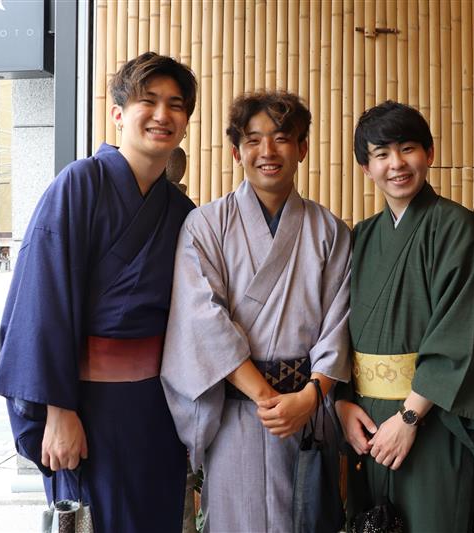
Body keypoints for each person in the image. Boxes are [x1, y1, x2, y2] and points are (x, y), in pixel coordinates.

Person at [0, 52, 198, 532]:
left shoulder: (182, 211)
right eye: (149, 101)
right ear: (118, 113)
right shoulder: (79, 185)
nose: (163, 114)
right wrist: (57, 410)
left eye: (176, 105)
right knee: (91, 520)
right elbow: (41, 303)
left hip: (155, 410)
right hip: (84, 407)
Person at [160, 90, 351, 533]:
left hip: (306, 411)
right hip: (236, 411)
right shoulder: (205, 226)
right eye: (253, 140)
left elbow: (338, 324)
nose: (268, 151)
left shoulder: (330, 231)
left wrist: (309, 397)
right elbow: (203, 322)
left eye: (282, 138)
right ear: (236, 152)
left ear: (302, 147)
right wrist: (268, 398)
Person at [334, 101, 474, 532]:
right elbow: (337, 327)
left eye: (407, 149)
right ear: (366, 168)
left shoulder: (455, 226)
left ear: (429, 153)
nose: (396, 164)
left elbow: (458, 327)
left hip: (432, 415)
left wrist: (408, 418)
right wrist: (343, 403)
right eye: (381, 154)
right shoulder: (362, 236)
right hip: (367, 420)